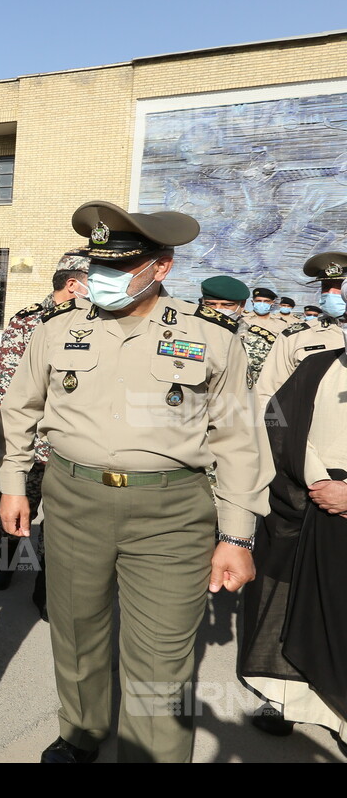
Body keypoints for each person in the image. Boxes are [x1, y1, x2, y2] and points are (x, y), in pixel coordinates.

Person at [0, 200, 271, 763]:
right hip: (73, 500)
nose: (100, 278)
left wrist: (237, 536)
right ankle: (81, 732)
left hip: (172, 511)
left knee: (164, 654)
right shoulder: (56, 330)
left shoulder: (211, 337)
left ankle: (152, 754)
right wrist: (12, 481)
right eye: (95, 265)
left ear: (161, 267)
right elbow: (19, 408)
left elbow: (239, 440)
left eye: (117, 268)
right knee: (76, 633)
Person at [239, 337, 347, 746]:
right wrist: (318, 478)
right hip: (306, 497)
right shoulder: (317, 365)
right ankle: (291, 702)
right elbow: (279, 419)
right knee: (289, 601)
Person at [0, 251, 90, 613]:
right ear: (73, 284)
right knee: (16, 509)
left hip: (71, 449)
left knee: (62, 523)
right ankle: (6, 561)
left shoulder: (99, 323)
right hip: (29, 447)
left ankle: (46, 584)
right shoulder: (28, 321)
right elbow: (3, 386)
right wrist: (13, 445)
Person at [255, 253, 347, 409]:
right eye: (325, 287)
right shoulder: (296, 336)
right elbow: (268, 393)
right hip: (314, 429)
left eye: (339, 286)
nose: (331, 293)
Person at [198, 275, 275, 389]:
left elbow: (265, 384)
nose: (218, 310)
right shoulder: (189, 332)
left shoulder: (261, 341)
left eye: (227, 305)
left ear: (242, 305)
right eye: (211, 304)